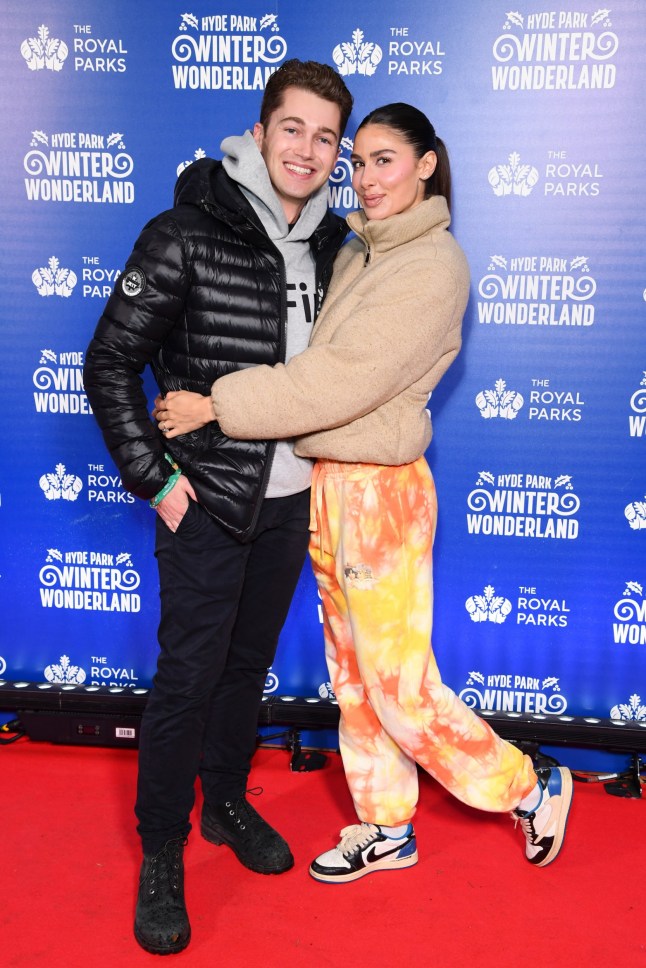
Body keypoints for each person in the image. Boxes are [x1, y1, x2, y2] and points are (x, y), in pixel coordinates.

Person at [153, 102, 574, 886]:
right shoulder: (361, 254)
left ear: (425, 166)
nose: (366, 177)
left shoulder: (432, 264)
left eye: (385, 160)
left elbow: (340, 378)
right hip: (330, 484)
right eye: (360, 161)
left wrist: (217, 403)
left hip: (383, 495)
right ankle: (386, 824)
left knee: (400, 689)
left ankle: (528, 783)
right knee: (352, 680)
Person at [83, 60, 353, 954]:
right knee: (188, 680)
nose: (306, 150)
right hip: (205, 501)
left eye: (325, 137)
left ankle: (227, 801)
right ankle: (162, 848)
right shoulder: (184, 231)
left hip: (291, 501)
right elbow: (111, 362)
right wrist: (155, 481)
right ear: (261, 128)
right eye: (293, 128)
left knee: (247, 673)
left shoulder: (337, 248)